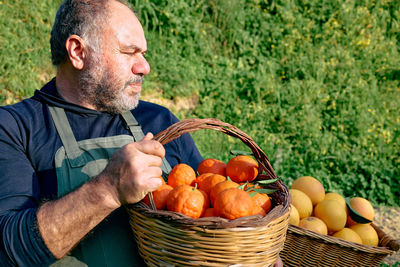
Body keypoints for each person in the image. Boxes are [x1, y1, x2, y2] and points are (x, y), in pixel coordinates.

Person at [0, 0, 283, 266]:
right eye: (129, 52)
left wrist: (253, 254)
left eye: (143, 54)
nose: (144, 67)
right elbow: (8, 249)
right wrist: (108, 188)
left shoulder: (159, 120)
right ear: (78, 52)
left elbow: (213, 211)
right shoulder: (16, 127)